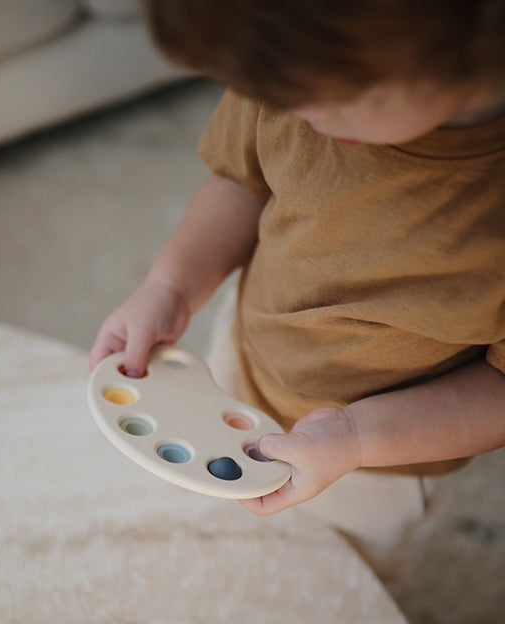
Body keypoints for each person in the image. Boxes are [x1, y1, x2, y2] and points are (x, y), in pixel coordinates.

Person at [89, 0, 505, 574]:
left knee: (327, 573)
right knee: (221, 532)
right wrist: (171, 286)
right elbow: (241, 182)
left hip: (378, 461)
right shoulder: (289, 73)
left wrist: (356, 437)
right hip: (239, 362)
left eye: (325, 98)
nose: (296, 113)